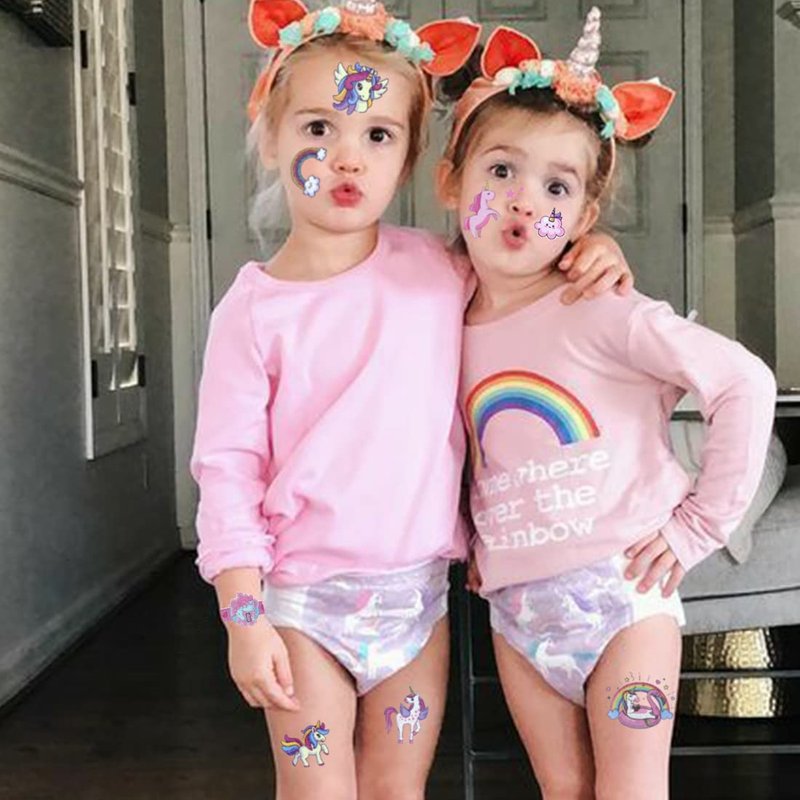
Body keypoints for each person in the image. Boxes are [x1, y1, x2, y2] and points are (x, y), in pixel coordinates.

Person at [190, 2, 636, 797]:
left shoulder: (442, 270)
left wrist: (589, 247)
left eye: (378, 135)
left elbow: (527, 267)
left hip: (418, 606)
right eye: (318, 128)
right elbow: (227, 472)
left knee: (398, 787)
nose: (347, 157)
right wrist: (243, 619)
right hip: (302, 606)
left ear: (410, 159)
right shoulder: (252, 313)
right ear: (271, 135)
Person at [436, 9, 777, 799]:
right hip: (517, 612)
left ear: (585, 219)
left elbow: (745, 383)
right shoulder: (441, 313)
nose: (525, 202)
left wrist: (700, 525)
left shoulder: (601, 308)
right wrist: (476, 535)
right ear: (452, 180)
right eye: (501, 172)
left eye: (556, 187)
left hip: (623, 600)